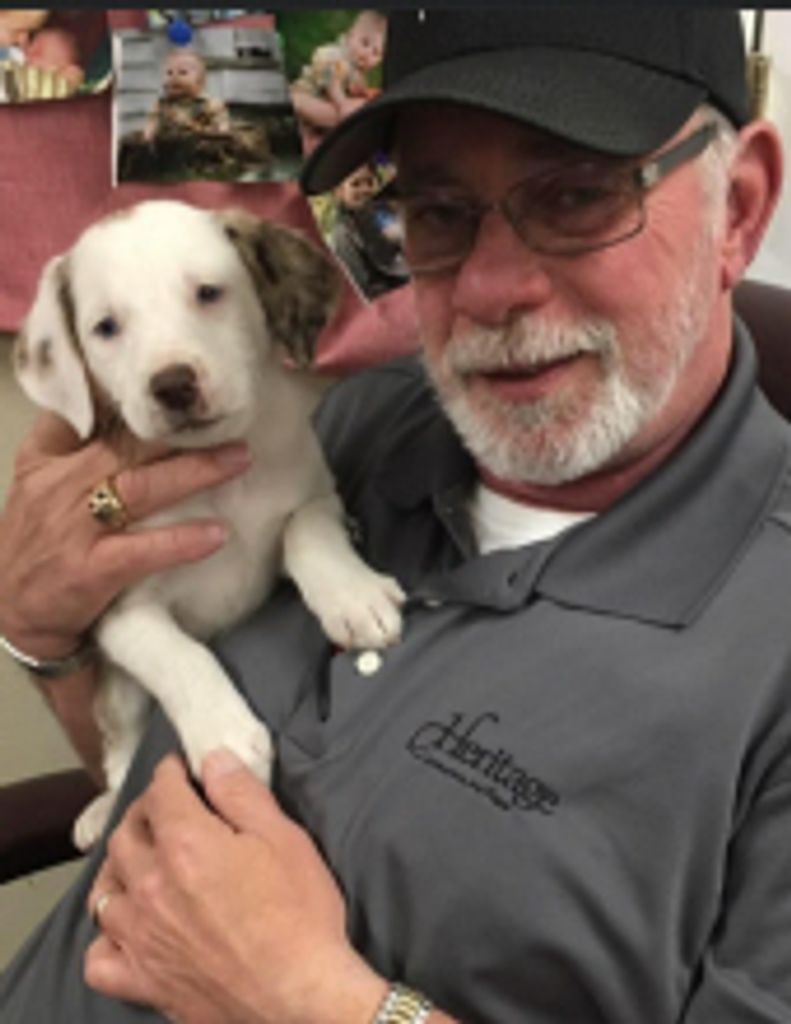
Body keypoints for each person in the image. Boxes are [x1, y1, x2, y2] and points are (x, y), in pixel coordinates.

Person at [1, 8, 790, 1023]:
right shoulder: (361, 422)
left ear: (737, 208)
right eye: (439, 211)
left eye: (576, 195)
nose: (491, 288)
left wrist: (310, 1002)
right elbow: (145, 763)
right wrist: (43, 629)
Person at [290, 10, 386, 151]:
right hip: (308, 94)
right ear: (349, 36)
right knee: (330, 115)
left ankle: (316, 140)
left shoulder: (359, 72)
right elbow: (330, 77)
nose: (367, 54)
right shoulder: (337, 55)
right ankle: (307, 137)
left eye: (375, 53)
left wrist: (360, 92)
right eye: (364, 43)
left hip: (325, 106)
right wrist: (341, 102)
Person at [330, 162, 409, 299]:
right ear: (339, 192)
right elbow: (365, 286)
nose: (365, 189)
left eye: (369, 182)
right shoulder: (343, 234)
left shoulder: (383, 212)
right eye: (356, 184)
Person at [143, 48, 230, 143]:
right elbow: (152, 122)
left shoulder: (209, 104)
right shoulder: (162, 104)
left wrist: (217, 130)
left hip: (199, 146)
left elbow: (222, 127)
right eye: (169, 73)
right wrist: (148, 134)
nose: (174, 77)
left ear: (200, 82)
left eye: (183, 72)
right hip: (168, 146)